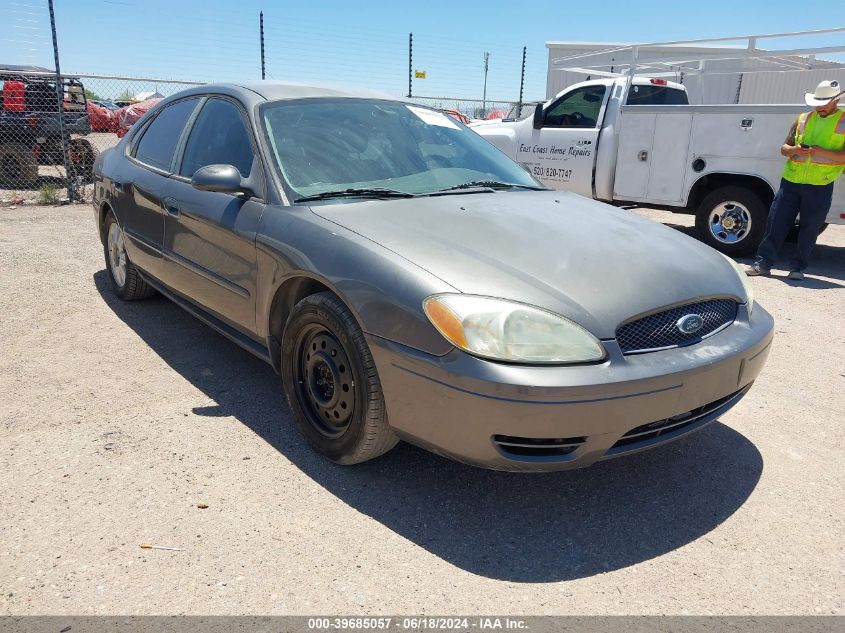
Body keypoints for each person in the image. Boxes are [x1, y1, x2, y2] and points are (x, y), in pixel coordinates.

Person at [746, 80, 845, 280]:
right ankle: (762, 264)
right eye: (818, 102)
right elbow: (784, 148)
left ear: (836, 100)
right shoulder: (803, 119)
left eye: (824, 102)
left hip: (820, 185)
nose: (820, 106)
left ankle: (797, 268)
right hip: (790, 181)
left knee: (810, 228)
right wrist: (795, 150)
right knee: (776, 223)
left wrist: (819, 151)